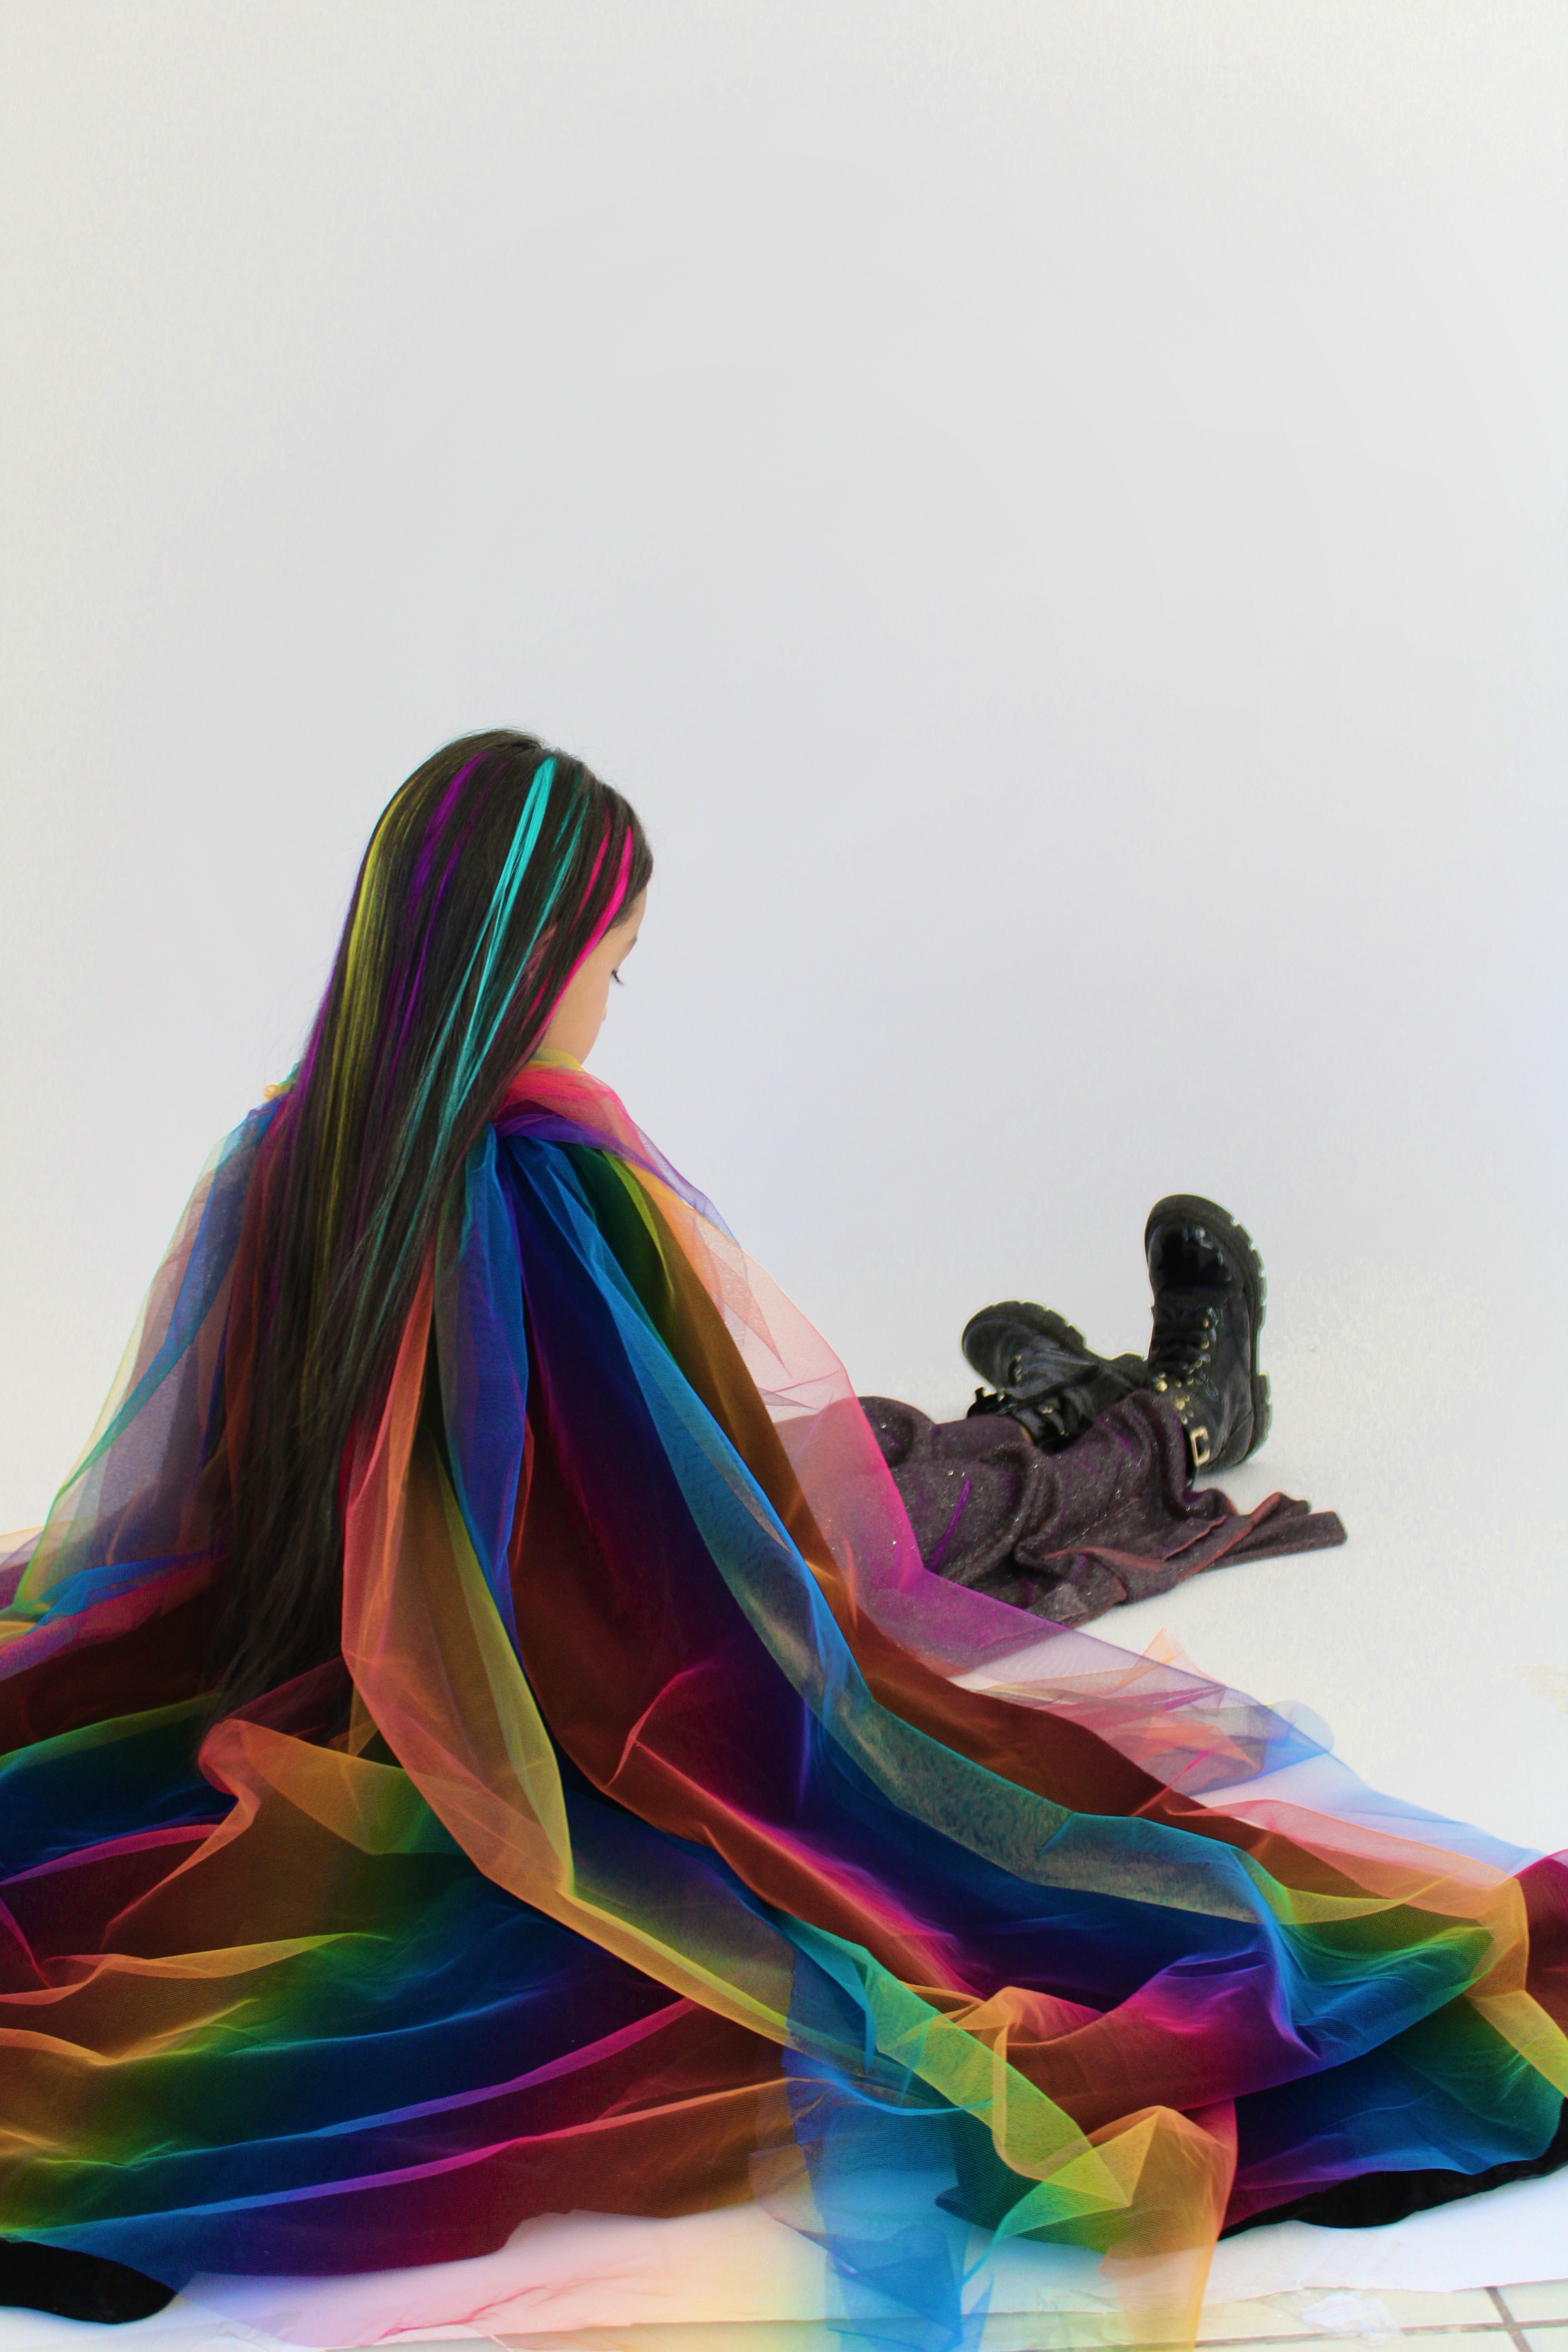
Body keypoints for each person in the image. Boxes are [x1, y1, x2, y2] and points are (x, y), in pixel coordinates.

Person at [1, 732, 1563, 2347]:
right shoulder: (544, 1185)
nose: (609, 1006)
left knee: (878, 1454)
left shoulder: (290, 1146)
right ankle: (1168, 1412)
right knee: (940, 1517)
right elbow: (727, 1564)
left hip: (449, 1595)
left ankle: (1052, 1400)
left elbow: (231, 1478)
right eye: (615, 964)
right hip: (616, 1625)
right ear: (539, 959)